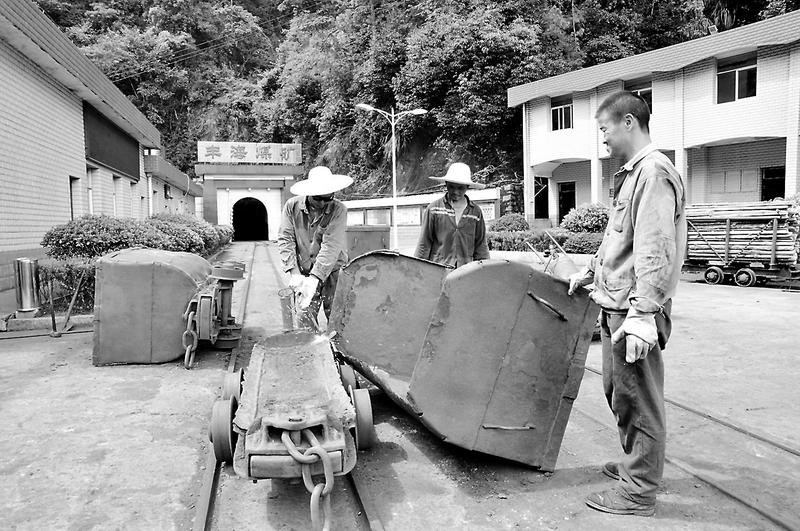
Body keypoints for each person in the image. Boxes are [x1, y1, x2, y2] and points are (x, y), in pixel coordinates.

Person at [568, 91, 687, 516]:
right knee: (620, 393)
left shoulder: (653, 173)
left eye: (605, 128)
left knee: (637, 400)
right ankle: (636, 464)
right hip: (617, 302)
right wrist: (592, 271)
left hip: (634, 309)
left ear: (629, 123)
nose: (602, 138)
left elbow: (656, 247)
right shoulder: (634, 174)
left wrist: (643, 313)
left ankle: (638, 491)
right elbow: (621, 239)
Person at [277, 165, 352, 332]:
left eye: (328, 198)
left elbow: (331, 245)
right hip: (304, 271)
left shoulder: (339, 209)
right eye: (318, 199)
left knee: (338, 319)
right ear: (309, 194)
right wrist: (294, 273)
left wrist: (315, 278)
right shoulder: (291, 207)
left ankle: (337, 347)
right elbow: (285, 239)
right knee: (304, 319)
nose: (323, 203)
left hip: (334, 271)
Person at [414, 162, 490, 267]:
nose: (455, 191)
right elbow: (424, 243)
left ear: (467, 187)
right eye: (451, 187)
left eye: (460, 188)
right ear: (446, 184)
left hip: (465, 270)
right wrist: (417, 269)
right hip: (438, 269)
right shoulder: (434, 209)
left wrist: (485, 268)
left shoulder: (475, 213)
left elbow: (481, 245)